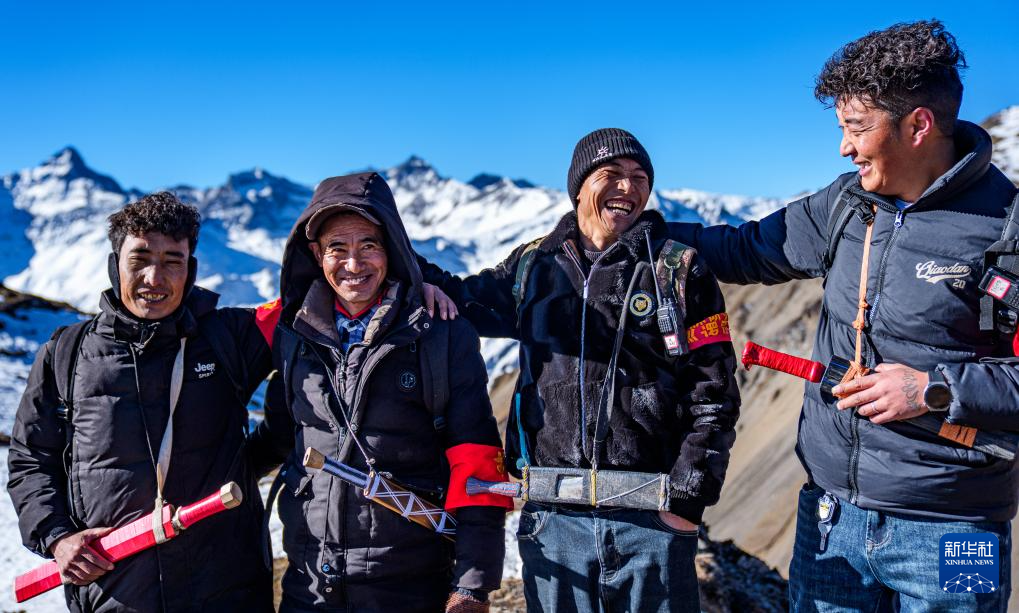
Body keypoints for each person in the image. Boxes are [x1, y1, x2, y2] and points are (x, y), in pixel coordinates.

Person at [669, 20, 1019, 612]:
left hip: (959, 531)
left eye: (857, 127)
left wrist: (932, 389)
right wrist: (634, 233)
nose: (844, 148)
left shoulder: (1007, 229)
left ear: (918, 125)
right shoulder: (846, 205)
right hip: (830, 518)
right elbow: (742, 250)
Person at [420, 128, 741, 612]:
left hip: (650, 522)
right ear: (578, 186)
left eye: (639, 177)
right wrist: (395, 258)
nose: (627, 187)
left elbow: (714, 395)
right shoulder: (534, 266)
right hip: (553, 521)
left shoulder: (678, 270)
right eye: (611, 174)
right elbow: (464, 300)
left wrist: (686, 501)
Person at [7, 192, 278, 612]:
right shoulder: (66, 354)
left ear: (190, 271)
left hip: (228, 595)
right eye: (140, 259)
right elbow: (31, 460)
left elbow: (317, 297)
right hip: (115, 596)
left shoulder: (229, 337)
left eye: (173, 261)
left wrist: (249, 463)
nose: (155, 277)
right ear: (115, 264)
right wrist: (58, 538)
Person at [264, 171, 511, 613]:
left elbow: (477, 464)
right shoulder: (293, 335)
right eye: (337, 248)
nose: (353, 264)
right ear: (316, 254)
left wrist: (473, 585)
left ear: (392, 249)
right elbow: (280, 438)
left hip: (409, 588)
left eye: (369, 246)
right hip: (310, 587)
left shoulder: (440, 335)